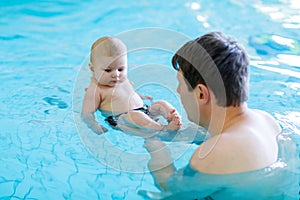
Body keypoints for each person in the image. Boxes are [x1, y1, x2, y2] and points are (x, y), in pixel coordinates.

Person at [139, 32, 298, 199]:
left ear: (201, 94)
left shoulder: (214, 155)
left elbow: (171, 190)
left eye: (180, 84)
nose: (178, 91)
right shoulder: (266, 120)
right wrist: (172, 134)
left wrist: (154, 145)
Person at [81, 36, 181, 135]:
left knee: (160, 104)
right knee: (135, 116)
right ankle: (163, 128)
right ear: (92, 69)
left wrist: (141, 96)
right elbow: (86, 114)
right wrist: (95, 126)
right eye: (108, 70)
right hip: (121, 119)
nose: (116, 74)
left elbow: (127, 93)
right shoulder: (95, 90)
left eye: (121, 69)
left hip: (144, 110)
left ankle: (172, 117)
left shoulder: (122, 79)